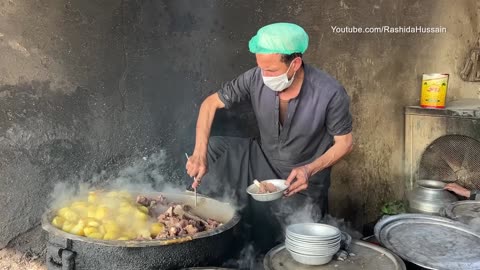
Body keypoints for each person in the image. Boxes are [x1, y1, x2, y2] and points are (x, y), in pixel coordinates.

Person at [185, 22, 353, 252]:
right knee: (214, 148)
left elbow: (344, 143)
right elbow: (210, 103)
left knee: (292, 248)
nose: (264, 76)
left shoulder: (330, 92)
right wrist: (199, 153)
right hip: (262, 160)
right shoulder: (256, 77)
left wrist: (310, 169)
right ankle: (195, 225)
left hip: (302, 179)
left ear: (295, 63)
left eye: (271, 71)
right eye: (261, 68)